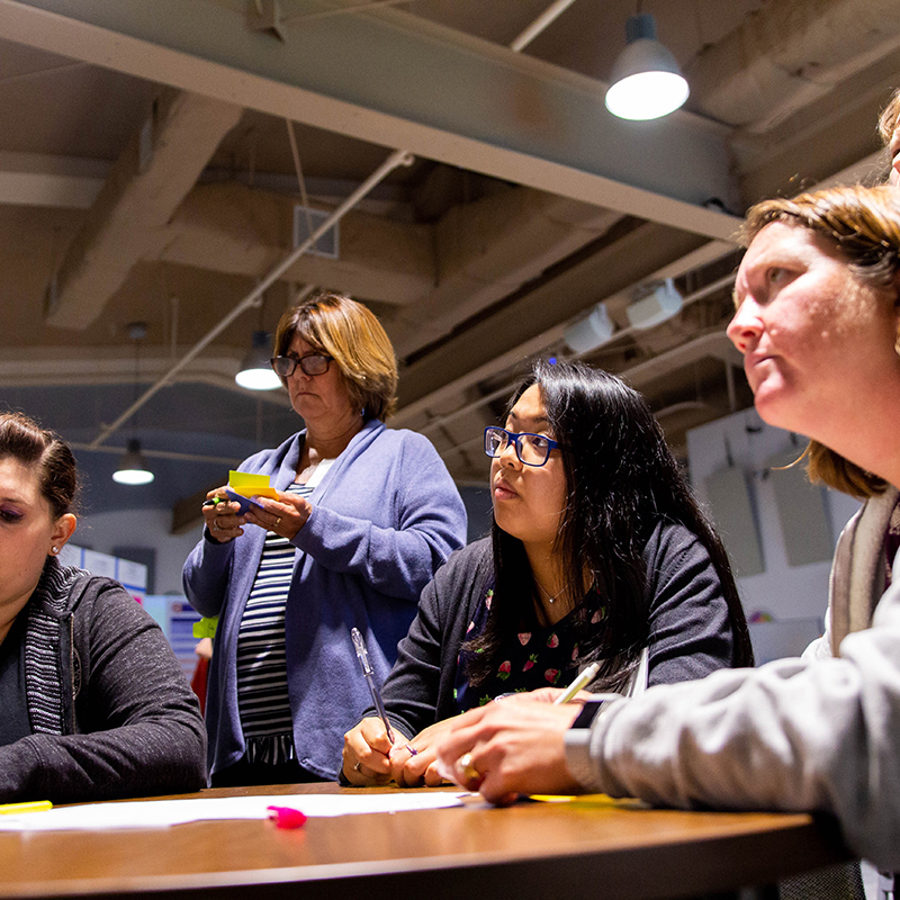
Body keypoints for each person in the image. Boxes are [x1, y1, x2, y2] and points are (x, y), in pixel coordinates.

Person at [435, 184, 900, 875]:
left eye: (779, 279)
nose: (739, 326)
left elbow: (870, 728)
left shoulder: (668, 557)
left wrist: (586, 733)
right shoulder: (869, 538)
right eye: (739, 297)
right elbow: (809, 692)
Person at [342, 359, 753, 787]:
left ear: (601, 468)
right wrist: (374, 745)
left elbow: (684, 718)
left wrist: (486, 729)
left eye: (536, 441)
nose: (505, 457)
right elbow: (401, 714)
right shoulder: (462, 577)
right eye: (506, 435)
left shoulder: (667, 559)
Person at [183, 292, 467, 785]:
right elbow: (203, 596)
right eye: (288, 362)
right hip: (241, 747)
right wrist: (217, 540)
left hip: (351, 742)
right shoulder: (259, 469)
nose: (297, 375)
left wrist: (313, 528)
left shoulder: (405, 455)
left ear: (358, 366)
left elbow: (439, 566)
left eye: (315, 360)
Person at [0, 412, 206, 803]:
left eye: (8, 515)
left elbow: (178, 741)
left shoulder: (94, 611)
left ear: (58, 535)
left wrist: (29, 762)